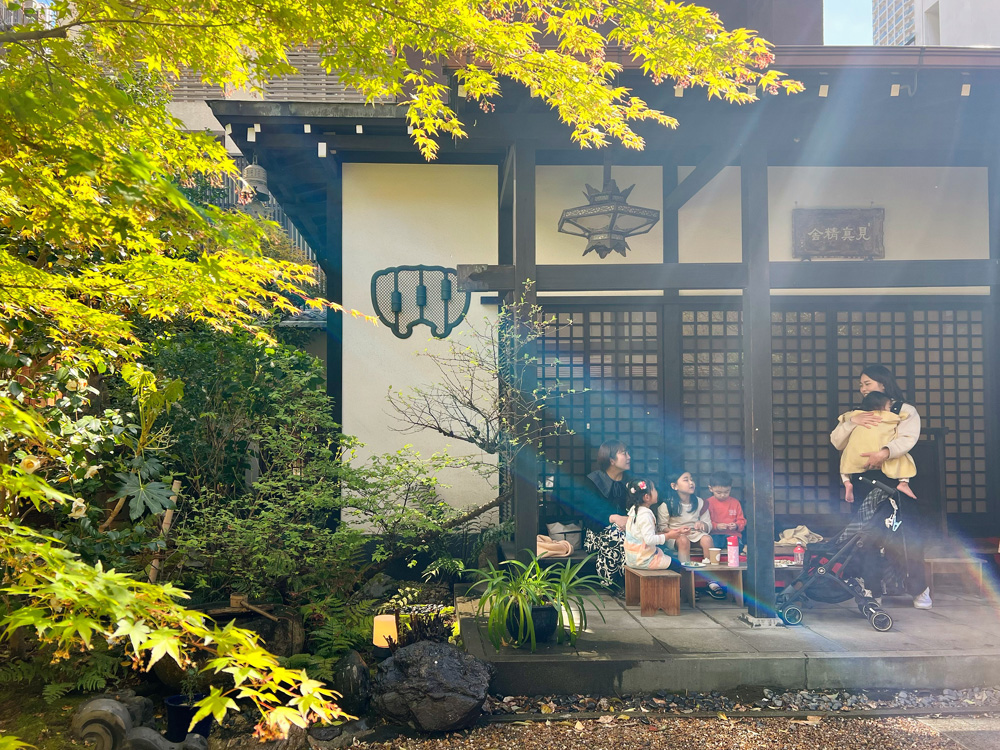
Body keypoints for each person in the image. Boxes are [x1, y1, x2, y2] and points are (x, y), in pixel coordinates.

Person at [830, 364, 932, 610]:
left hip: (894, 478)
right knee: (867, 536)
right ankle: (872, 588)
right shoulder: (858, 412)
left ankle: (919, 589)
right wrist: (852, 422)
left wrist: (884, 453)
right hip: (864, 479)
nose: (862, 388)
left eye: (867, 383)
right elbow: (837, 441)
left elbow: (907, 439)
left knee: (906, 533)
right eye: (861, 384)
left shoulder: (904, 411)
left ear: (883, 384)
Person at [839, 391, 917, 503]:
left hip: (856, 457)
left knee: (844, 464)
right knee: (903, 458)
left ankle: (847, 483)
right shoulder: (889, 416)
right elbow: (901, 418)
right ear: (881, 407)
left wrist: (851, 420)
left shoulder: (857, 416)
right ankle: (903, 483)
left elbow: (843, 419)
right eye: (889, 406)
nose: (890, 408)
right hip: (880, 457)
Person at [580, 439, 632, 589]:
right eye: (624, 453)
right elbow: (589, 516)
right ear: (611, 460)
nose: (629, 457)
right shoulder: (593, 481)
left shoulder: (631, 482)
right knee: (618, 536)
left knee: (632, 537)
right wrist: (613, 518)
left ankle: (632, 583)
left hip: (628, 530)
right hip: (597, 534)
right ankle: (620, 583)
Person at [623, 479, 680, 570]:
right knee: (676, 564)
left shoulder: (634, 510)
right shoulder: (646, 515)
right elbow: (649, 540)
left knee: (666, 555)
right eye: (654, 489)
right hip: (644, 560)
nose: (657, 492)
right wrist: (668, 536)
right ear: (647, 497)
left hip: (632, 559)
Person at [704, 470, 747, 549]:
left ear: (731, 488)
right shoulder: (707, 503)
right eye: (719, 493)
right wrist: (716, 526)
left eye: (727, 492)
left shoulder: (735, 503)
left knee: (738, 545)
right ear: (710, 488)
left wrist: (736, 525)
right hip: (715, 535)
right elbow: (705, 522)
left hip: (733, 535)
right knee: (711, 544)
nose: (723, 495)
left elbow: (742, 521)